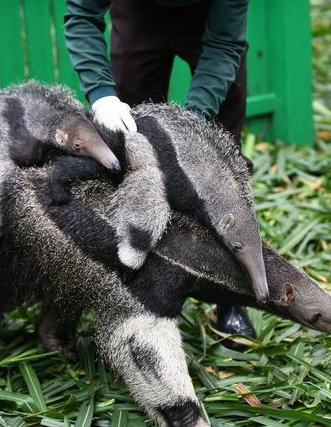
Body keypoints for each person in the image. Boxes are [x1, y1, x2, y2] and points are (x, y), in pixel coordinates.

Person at [64, 0, 256, 343]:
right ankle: (137, 286)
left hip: (211, 20)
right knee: (129, 152)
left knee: (225, 158)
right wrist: (102, 95)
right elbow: (81, 14)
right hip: (139, 15)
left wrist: (190, 125)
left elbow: (225, 43)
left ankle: (230, 297)